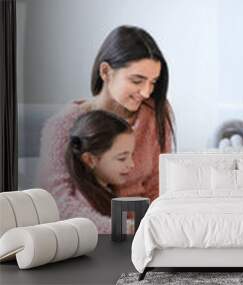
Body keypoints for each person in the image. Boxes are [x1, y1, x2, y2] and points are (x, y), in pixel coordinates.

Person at [37, 25, 175, 233]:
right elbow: (57, 201)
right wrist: (121, 230)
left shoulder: (156, 113)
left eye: (153, 82)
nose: (146, 92)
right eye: (137, 80)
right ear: (105, 71)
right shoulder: (62, 125)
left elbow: (158, 185)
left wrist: (150, 229)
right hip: (90, 232)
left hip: (143, 231)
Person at [65, 110, 135, 216]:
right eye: (122, 158)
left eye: (131, 155)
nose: (132, 164)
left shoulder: (108, 191)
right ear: (90, 160)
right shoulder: (85, 207)